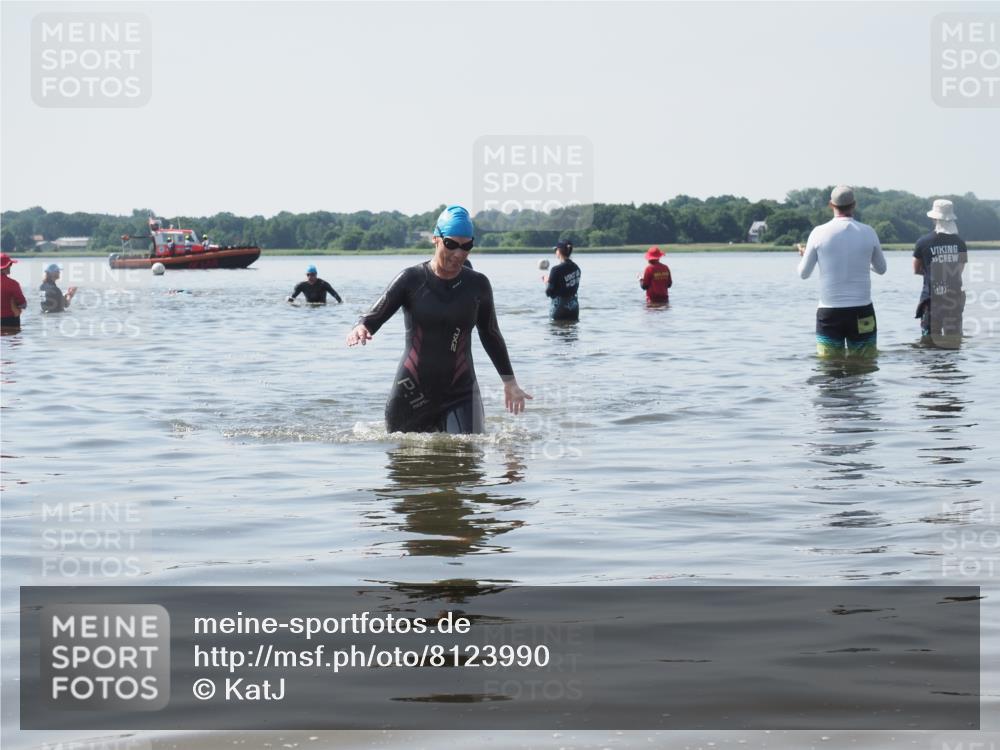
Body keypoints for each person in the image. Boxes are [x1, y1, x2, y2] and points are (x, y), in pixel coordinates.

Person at [346, 205, 531, 434]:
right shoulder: (411, 279)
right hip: (411, 391)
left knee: (468, 456)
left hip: (461, 393)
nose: (459, 253)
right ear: (436, 239)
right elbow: (374, 315)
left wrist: (509, 382)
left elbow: (490, 333)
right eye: (451, 244)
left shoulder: (478, 285)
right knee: (404, 461)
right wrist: (361, 326)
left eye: (467, 246)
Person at [797, 185, 887, 358]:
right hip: (862, 312)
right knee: (864, 365)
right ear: (854, 204)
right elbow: (882, 269)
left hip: (830, 314)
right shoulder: (869, 232)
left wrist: (803, 256)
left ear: (831, 204)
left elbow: (803, 274)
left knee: (829, 368)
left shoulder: (818, 233)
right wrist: (862, 262)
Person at [913, 199, 967, 344]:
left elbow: (916, 269)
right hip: (953, 301)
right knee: (954, 341)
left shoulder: (922, 242)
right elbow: (958, 271)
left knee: (928, 342)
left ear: (934, 218)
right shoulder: (960, 243)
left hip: (931, 300)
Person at [543, 240, 581, 321]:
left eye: (555, 250)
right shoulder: (577, 268)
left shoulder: (556, 269)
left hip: (560, 308)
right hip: (574, 307)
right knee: (572, 331)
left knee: (556, 330)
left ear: (559, 251)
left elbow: (549, 292)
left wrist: (547, 282)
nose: (555, 252)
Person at [1, 253, 27, 330]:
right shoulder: (13, 284)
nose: (10, 267)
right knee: (12, 339)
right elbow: (23, 304)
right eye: (10, 264)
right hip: (10, 321)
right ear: (5, 266)